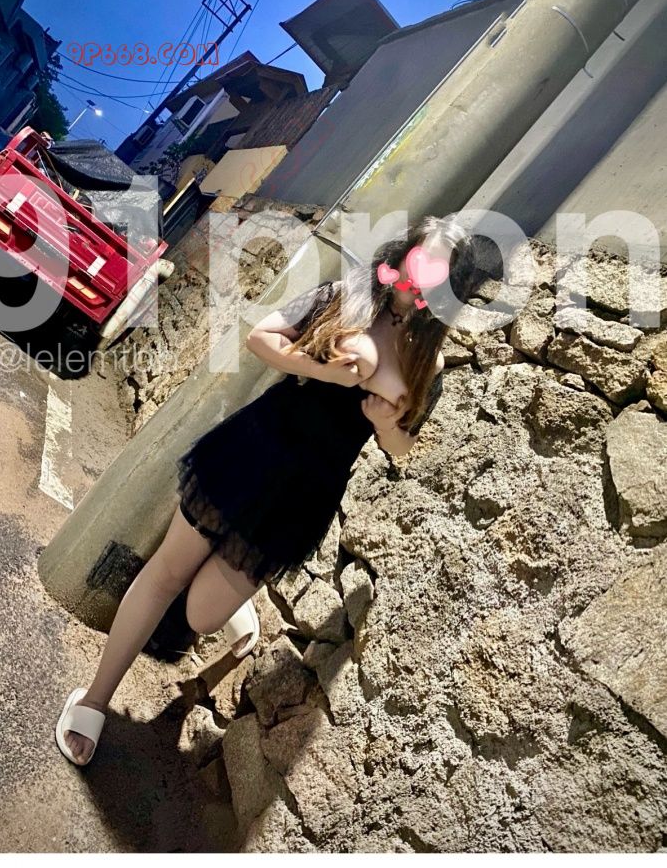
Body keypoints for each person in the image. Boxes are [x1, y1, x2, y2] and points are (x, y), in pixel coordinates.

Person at [55, 214, 478, 766]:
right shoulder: (347, 297)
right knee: (165, 576)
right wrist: (327, 373)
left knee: (202, 615)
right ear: (406, 251)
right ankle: (94, 699)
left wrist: (384, 425)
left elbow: (403, 446)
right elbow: (261, 337)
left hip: (302, 495)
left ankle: (232, 605)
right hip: (253, 449)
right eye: (424, 256)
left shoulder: (429, 361)